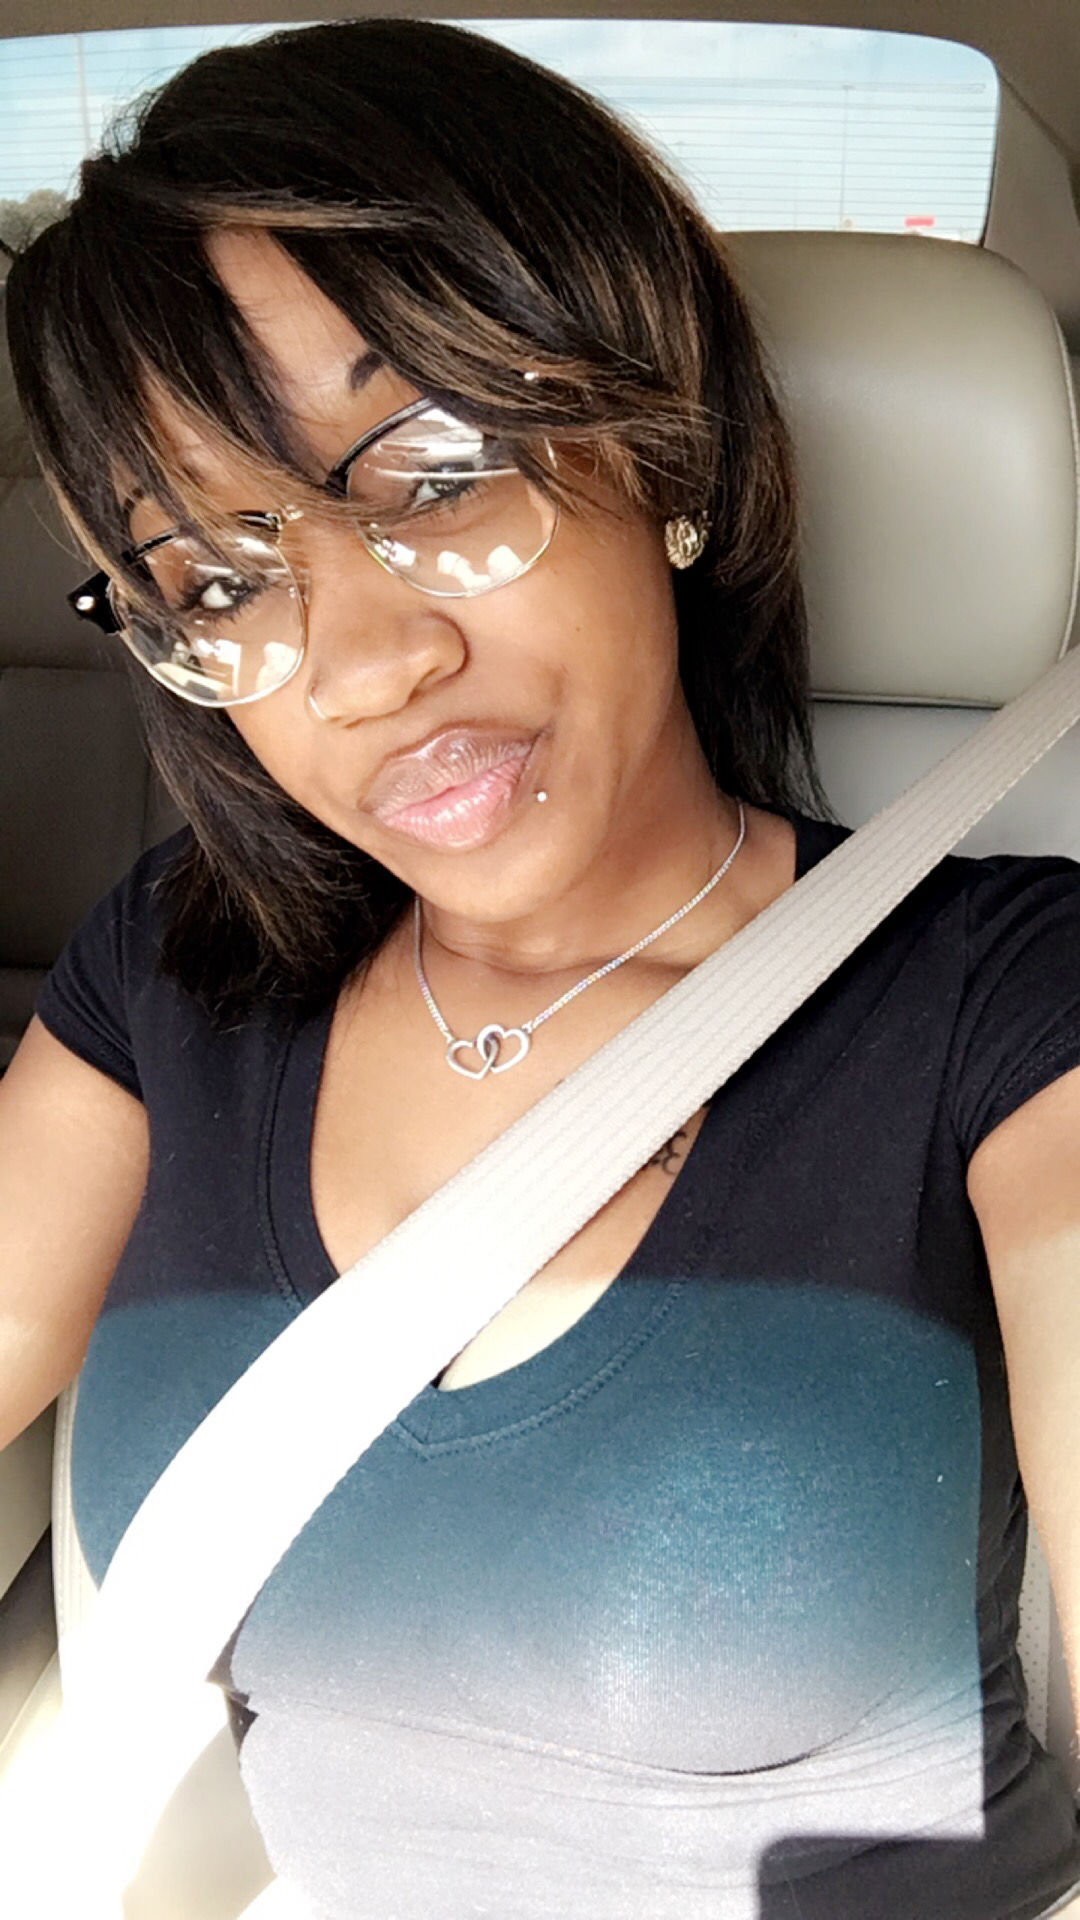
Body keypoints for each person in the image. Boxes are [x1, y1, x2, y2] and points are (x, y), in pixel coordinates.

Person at [2, 18, 1079, 1919]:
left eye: (432, 472)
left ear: (666, 453)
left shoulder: (1006, 1006)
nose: (360, 666)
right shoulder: (178, 970)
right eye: (218, 581)